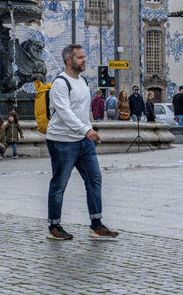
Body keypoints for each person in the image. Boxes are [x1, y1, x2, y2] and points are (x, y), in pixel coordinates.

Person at [45, 44, 118, 241]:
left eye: (84, 57)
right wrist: (87, 130)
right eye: (80, 58)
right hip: (62, 141)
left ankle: (96, 223)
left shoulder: (84, 81)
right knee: (59, 184)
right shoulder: (60, 83)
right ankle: (54, 225)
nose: (84, 60)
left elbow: (81, 111)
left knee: (94, 179)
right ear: (69, 60)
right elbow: (65, 113)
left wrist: (89, 128)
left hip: (83, 142)